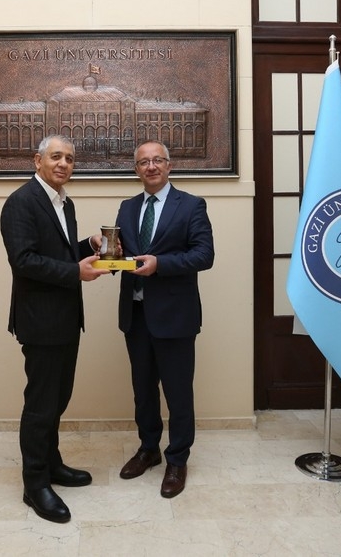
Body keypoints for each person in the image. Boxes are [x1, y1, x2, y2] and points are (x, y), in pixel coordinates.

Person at [0, 135, 110, 523]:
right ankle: (34, 485)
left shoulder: (65, 202)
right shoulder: (21, 202)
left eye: (70, 159)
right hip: (40, 321)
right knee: (41, 404)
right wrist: (75, 271)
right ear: (38, 160)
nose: (64, 164)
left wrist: (86, 246)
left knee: (58, 399)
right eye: (56, 156)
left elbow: (57, 253)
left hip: (65, 318)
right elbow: (24, 260)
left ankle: (51, 464)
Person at [114, 140, 214, 498]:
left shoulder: (191, 205)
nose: (151, 167)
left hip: (175, 316)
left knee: (178, 392)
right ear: (136, 170)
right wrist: (108, 257)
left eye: (158, 160)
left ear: (169, 166)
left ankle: (177, 459)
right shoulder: (127, 208)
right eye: (144, 162)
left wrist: (161, 265)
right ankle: (149, 449)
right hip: (136, 315)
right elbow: (123, 254)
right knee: (143, 391)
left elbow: (204, 255)